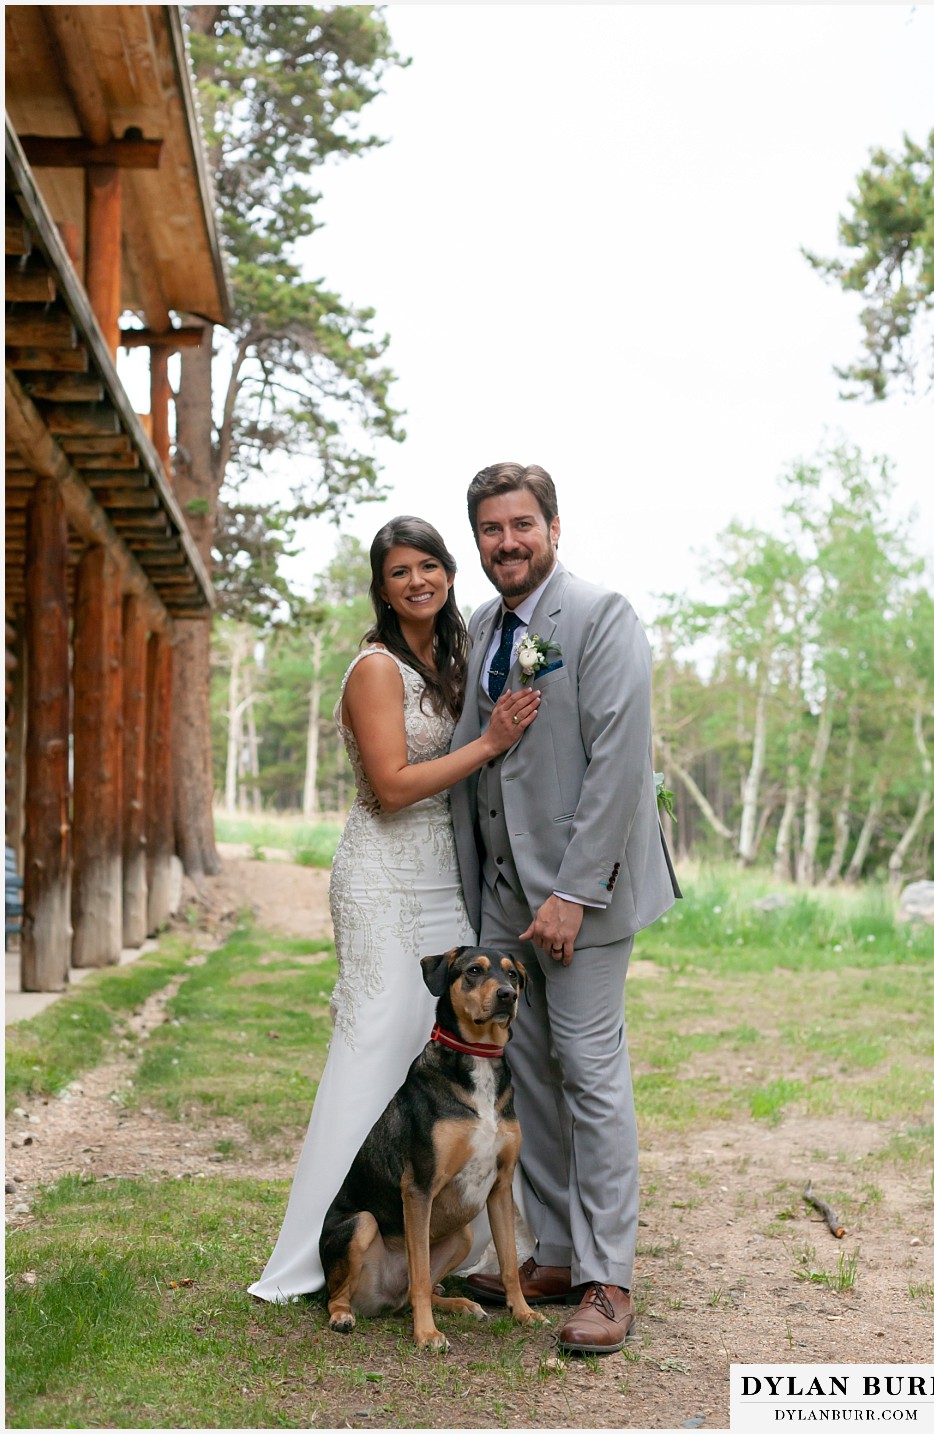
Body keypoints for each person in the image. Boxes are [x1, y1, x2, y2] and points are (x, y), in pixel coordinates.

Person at [249, 515, 540, 1303]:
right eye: (399, 571)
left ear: (449, 573)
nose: (418, 581)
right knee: (376, 1043)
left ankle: (437, 1242)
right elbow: (391, 785)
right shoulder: (377, 668)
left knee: (435, 1037)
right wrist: (490, 745)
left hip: (441, 873)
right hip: (382, 873)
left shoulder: (453, 657)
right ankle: (322, 1251)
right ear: (381, 588)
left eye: (430, 566)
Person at [449, 463, 681, 1354]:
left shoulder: (600, 616)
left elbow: (620, 766)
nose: (507, 543)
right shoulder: (482, 625)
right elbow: (485, 760)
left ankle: (609, 1278)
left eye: (521, 525)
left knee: (589, 1078)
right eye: (490, 530)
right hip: (506, 905)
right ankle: (554, 1253)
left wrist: (574, 895)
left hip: (585, 899)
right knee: (531, 1081)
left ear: (552, 526)